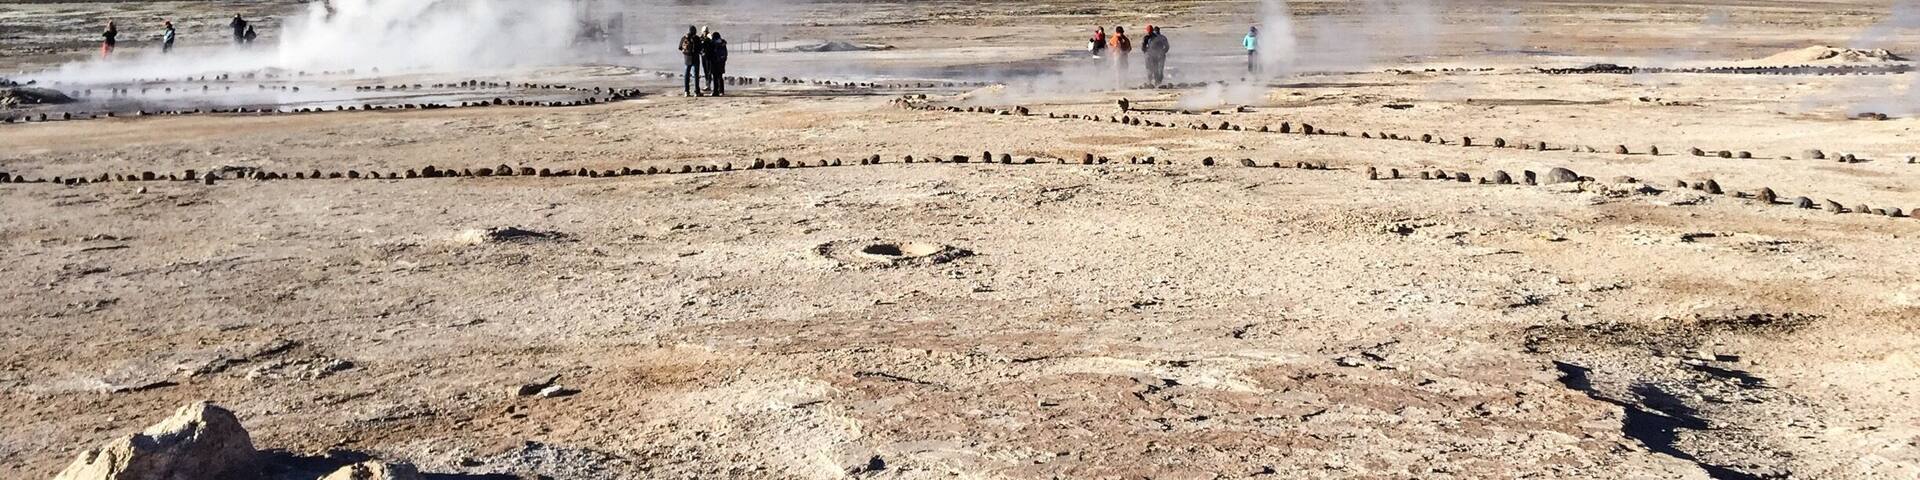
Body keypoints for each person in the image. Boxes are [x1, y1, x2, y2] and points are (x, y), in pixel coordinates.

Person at [677, 25, 706, 96]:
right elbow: (700, 49)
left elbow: (680, 47)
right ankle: (696, 92)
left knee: (686, 75)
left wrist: (686, 52)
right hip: (695, 59)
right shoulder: (697, 38)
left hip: (687, 59)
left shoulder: (684, 38)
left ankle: (686, 91)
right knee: (696, 76)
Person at [705, 31, 729, 96]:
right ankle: (721, 91)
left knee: (715, 77)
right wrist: (724, 60)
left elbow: (709, 53)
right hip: (721, 62)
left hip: (714, 62)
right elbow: (726, 53)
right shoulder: (722, 43)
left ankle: (715, 91)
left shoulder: (712, 43)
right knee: (720, 77)